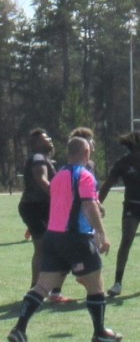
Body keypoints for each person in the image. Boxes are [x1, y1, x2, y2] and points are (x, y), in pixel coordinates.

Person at [6, 137, 122, 342]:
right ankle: (100, 332)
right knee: (96, 284)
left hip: (52, 237)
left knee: (41, 287)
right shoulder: (85, 175)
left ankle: (19, 329)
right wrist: (102, 233)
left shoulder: (58, 176)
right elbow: (88, 205)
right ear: (86, 154)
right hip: (76, 238)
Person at [99, 131, 140, 297]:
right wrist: (97, 202)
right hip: (132, 206)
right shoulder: (123, 162)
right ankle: (117, 283)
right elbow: (108, 184)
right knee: (126, 240)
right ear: (135, 143)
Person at [17, 128, 74, 303]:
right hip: (35, 207)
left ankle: (43, 289)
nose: (49, 139)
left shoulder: (45, 159)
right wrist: (61, 198)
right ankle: (36, 289)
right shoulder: (38, 158)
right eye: (45, 138)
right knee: (42, 248)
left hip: (39, 208)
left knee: (47, 248)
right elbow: (42, 180)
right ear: (36, 144)